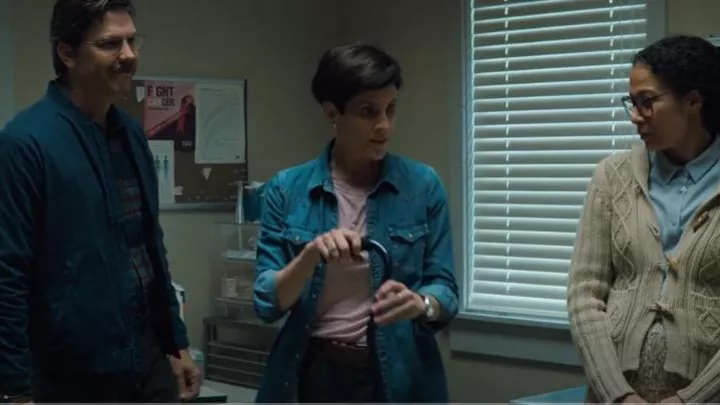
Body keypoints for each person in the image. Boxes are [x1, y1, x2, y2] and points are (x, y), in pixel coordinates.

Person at [0, 0, 201, 402]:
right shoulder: (25, 144)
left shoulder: (130, 134)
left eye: (132, 41)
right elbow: (8, 274)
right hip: (71, 372)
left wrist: (176, 344)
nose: (128, 55)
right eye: (110, 44)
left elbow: (149, 249)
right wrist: (14, 389)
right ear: (67, 52)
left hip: (146, 358)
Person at [252, 42, 459, 403]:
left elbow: (445, 289)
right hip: (313, 375)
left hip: (399, 376)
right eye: (368, 112)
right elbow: (268, 301)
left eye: (391, 109)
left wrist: (421, 304)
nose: (384, 126)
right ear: (333, 112)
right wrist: (310, 255)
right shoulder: (286, 189)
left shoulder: (423, 186)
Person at [568, 35, 720, 404]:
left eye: (647, 102)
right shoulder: (612, 177)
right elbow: (585, 294)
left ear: (693, 100)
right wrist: (618, 395)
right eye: (632, 103)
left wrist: (689, 400)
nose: (635, 116)